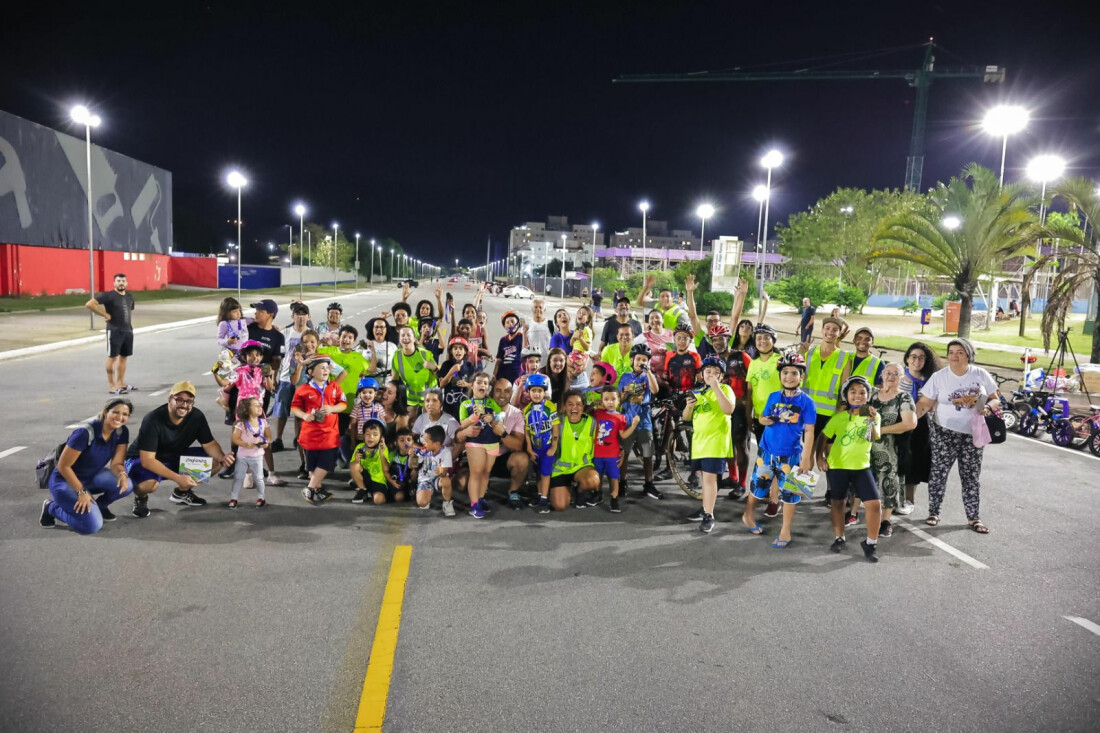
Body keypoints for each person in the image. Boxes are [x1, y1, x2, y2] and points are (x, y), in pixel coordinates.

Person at [915, 338, 1000, 534]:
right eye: (951, 352)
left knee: (971, 476)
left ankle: (973, 517)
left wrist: (987, 407)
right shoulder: (939, 377)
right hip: (944, 432)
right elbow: (924, 403)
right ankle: (934, 512)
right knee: (939, 473)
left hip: (972, 433)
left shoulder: (980, 374)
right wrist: (910, 421)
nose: (954, 356)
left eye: (959, 352)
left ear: (968, 354)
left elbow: (996, 400)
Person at [125, 382, 235, 516]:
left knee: (215, 462)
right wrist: (178, 478)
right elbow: (147, 460)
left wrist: (222, 457)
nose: (184, 405)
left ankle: (182, 493)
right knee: (150, 484)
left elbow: (209, 444)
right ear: (169, 399)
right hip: (142, 459)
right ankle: (141, 498)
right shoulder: (153, 419)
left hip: (174, 455)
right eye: (179, 400)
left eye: (189, 401)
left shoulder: (196, 416)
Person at [740, 351, 816, 543]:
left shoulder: (807, 402)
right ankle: (748, 515)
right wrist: (766, 419)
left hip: (791, 455)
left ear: (802, 376)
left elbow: (809, 431)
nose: (789, 377)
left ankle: (785, 530)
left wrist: (806, 458)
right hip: (766, 452)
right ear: (779, 375)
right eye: (785, 372)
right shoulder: (773, 396)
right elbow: (762, 417)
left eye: (794, 373)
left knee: (790, 494)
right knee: (757, 487)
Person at [40, 397, 133, 533]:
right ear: (106, 411)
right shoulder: (85, 433)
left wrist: (122, 473)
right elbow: (63, 466)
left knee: (127, 485)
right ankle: (51, 508)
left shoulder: (121, 431)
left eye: (125, 414)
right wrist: (81, 492)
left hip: (90, 477)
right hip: (65, 481)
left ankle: (99, 507)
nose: (120, 417)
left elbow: (117, 463)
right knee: (91, 526)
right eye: (115, 412)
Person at [821, 376, 883, 562]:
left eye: (862, 392)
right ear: (846, 395)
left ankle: (871, 543)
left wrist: (871, 420)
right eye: (853, 392)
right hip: (838, 465)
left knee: (874, 504)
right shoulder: (839, 418)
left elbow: (872, 438)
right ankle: (839, 537)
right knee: (838, 502)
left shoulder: (873, 415)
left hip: (861, 467)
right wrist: (819, 458)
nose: (858, 396)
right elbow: (822, 438)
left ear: (868, 395)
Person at [682, 356, 737, 533]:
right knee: (705, 480)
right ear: (701, 374)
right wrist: (689, 407)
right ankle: (705, 508)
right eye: (708, 371)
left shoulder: (725, 389)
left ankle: (709, 515)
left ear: (721, 376)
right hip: (699, 443)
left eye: (715, 372)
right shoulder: (698, 392)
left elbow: (728, 409)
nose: (711, 374)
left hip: (716, 442)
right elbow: (686, 418)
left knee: (709, 479)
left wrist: (716, 387)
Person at [868, 362, 917, 536]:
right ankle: (854, 513)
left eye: (896, 373)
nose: (891, 376)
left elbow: (910, 423)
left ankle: (886, 521)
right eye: (887, 373)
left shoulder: (903, 398)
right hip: (865, 446)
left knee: (888, 482)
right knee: (864, 479)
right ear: (882, 375)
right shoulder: (872, 394)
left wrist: (880, 431)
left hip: (891, 448)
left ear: (901, 378)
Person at [291, 358, 347, 505]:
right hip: (310, 435)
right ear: (311, 372)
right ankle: (317, 489)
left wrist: (332, 409)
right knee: (312, 465)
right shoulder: (303, 389)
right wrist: (304, 415)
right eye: (322, 368)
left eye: (327, 368)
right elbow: (294, 407)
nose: (326, 370)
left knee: (327, 463)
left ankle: (309, 488)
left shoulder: (334, 386)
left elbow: (343, 404)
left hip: (329, 434)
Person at [804, 317, 852, 482]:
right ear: (822, 330)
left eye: (834, 330)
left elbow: (845, 387)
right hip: (808, 410)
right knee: (807, 452)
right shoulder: (809, 352)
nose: (830, 332)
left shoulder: (844, 357)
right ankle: (797, 492)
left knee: (828, 453)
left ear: (839, 334)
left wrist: (842, 407)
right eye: (827, 328)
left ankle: (833, 493)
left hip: (829, 412)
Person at [897, 342, 939, 515]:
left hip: (921, 427)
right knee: (896, 460)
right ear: (907, 359)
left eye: (921, 358)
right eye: (913, 357)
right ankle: (891, 496)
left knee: (913, 463)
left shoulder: (932, 381)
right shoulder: (897, 377)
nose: (917, 361)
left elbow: (934, 404)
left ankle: (909, 500)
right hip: (898, 422)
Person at [320, 325, 370, 463]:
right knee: (329, 432)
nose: (346, 340)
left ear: (354, 341)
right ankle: (331, 458)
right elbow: (311, 349)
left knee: (343, 432)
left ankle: (342, 456)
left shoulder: (358, 357)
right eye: (344, 336)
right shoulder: (329, 351)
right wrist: (322, 341)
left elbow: (369, 370)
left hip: (348, 402)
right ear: (339, 338)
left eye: (350, 338)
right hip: (330, 401)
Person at [458, 373, 505, 518]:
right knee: (476, 473)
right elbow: (462, 424)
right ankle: (473, 505)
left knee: (486, 473)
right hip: (475, 442)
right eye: (479, 382)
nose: (482, 385)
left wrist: (494, 417)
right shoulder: (465, 404)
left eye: (485, 383)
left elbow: (502, 416)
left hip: (492, 442)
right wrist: (474, 417)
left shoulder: (491, 403)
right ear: (472, 385)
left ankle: (480, 498)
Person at [547, 391, 601, 511]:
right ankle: (566, 488)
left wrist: (621, 449)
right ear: (564, 406)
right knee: (559, 506)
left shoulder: (592, 422)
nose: (574, 408)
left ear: (583, 407)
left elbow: (603, 440)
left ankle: (579, 490)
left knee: (593, 480)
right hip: (560, 469)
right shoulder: (557, 422)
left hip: (582, 467)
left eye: (578, 404)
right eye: (570, 404)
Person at [618, 344, 660, 500]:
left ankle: (649, 484)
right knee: (624, 453)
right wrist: (626, 392)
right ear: (631, 360)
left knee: (648, 454)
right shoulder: (625, 377)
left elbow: (655, 390)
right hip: (628, 421)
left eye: (644, 359)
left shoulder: (647, 377)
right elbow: (619, 399)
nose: (641, 362)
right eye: (638, 359)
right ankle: (623, 482)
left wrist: (648, 371)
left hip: (645, 422)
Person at [85, 273, 136, 394]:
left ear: (126, 283)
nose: (121, 283)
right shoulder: (108, 296)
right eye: (118, 281)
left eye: (123, 281)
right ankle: (112, 386)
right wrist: (104, 314)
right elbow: (89, 304)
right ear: (114, 283)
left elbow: (130, 310)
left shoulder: (129, 297)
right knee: (112, 357)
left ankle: (121, 383)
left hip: (128, 330)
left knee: (124, 357)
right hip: (114, 331)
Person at [593, 386, 639, 513]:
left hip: (612, 454)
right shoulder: (597, 413)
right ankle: (598, 494)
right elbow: (584, 413)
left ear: (619, 400)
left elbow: (623, 435)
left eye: (613, 399)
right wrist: (592, 405)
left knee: (614, 477)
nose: (610, 402)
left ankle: (614, 499)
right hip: (597, 452)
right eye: (606, 399)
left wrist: (634, 425)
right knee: (598, 476)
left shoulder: (620, 417)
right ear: (602, 401)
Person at [272, 302, 311, 451]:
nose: (300, 317)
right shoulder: (285, 333)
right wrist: (274, 377)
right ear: (292, 316)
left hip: (304, 379)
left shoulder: (310, 334)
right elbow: (278, 357)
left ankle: (298, 438)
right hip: (285, 378)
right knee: (281, 410)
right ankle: (278, 439)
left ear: (308, 317)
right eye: (297, 314)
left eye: (303, 314)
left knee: (299, 411)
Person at [523, 373, 559, 513]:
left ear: (545, 392)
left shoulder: (550, 407)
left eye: (540, 391)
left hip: (547, 447)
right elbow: (527, 432)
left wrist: (554, 447)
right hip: (535, 448)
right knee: (538, 473)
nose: (537, 394)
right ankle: (539, 495)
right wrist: (529, 448)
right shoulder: (526, 410)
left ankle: (544, 499)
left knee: (545, 474)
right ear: (528, 392)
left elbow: (555, 430)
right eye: (533, 391)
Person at [228, 397, 270, 508]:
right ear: (247, 409)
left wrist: (266, 442)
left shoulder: (264, 422)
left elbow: (268, 436)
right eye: (255, 405)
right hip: (242, 456)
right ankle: (233, 498)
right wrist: (245, 444)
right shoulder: (241, 424)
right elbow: (235, 438)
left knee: (259, 478)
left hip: (257, 456)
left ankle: (261, 497)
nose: (259, 407)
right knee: (238, 477)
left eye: (259, 405)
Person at [391, 324, 439, 420]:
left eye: (408, 335)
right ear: (399, 339)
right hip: (411, 398)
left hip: (429, 397)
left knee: (429, 425)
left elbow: (439, 376)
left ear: (414, 339)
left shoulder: (425, 354)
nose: (405, 337)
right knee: (409, 424)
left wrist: (433, 367)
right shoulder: (397, 356)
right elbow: (394, 380)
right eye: (403, 335)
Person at [350, 418, 390, 504]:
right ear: (363, 436)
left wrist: (382, 453)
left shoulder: (383, 449)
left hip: (378, 480)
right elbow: (352, 465)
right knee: (354, 465)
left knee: (378, 500)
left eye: (375, 435)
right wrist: (356, 461)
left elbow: (387, 468)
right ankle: (362, 489)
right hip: (365, 479)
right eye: (367, 434)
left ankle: (379, 494)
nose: (371, 437)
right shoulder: (360, 447)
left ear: (381, 438)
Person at [416, 425, 453, 514]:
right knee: (422, 503)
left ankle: (447, 503)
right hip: (425, 480)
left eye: (426, 441)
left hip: (438, 479)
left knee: (446, 481)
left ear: (436, 444)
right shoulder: (423, 450)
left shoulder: (446, 453)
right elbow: (412, 465)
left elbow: (444, 474)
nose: (423, 443)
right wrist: (412, 456)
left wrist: (441, 472)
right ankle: (426, 494)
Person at [412, 388, 460, 457]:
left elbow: (460, 444)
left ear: (441, 404)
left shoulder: (450, 421)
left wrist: (448, 461)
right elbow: (411, 439)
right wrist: (422, 451)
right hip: (426, 460)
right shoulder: (421, 419)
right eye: (427, 401)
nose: (430, 404)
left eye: (434, 400)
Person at [437, 337, 476, 419]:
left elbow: (475, 385)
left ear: (465, 351)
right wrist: (452, 371)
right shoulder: (446, 364)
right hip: (449, 406)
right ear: (451, 351)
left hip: (465, 406)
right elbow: (441, 384)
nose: (458, 351)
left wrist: (466, 384)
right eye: (455, 348)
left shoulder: (470, 366)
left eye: (461, 348)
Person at [638, 309, 674, 376]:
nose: (654, 320)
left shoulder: (671, 334)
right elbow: (630, 346)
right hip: (652, 375)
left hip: (670, 373)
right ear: (648, 321)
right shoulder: (644, 336)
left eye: (657, 317)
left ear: (662, 320)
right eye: (651, 318)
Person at [600, 322, 635, 386]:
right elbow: (603, 372)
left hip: (630, 389)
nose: (624, 337)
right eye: (621, 334)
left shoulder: (637, 352)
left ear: (633, 336)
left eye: (627, 334)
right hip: (611, 389)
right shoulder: (608, 350)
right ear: (617, 336)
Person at [494, 311, 524, 383]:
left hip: (517, 374)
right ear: (504, 326)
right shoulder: (503, 340)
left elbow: (525, 353)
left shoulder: (522, 337)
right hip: (502, 374)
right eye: (507, 322)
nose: (510, 324)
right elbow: (499, 360)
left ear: (518, 324)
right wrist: (494, 375)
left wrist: (525, 332)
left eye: (513, 322)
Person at [524, 298, 552, 364]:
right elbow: (524, 348)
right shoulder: (527, 326)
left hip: (548, 364)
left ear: (544, 309)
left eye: (540, 307)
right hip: (533, 365)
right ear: (532, 309)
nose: (538, 309)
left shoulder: (551, 325)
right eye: (535, 307)